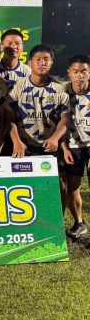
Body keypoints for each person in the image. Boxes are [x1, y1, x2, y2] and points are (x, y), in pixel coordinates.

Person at [8, 44, 69, 157]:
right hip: (23, 145)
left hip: (50, 146)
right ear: (30, 63)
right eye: (38, 59)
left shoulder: (60, 88)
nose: (42, 63)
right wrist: (16, 141)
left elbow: (65, 119)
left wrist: (55, 138)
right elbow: (9, 118)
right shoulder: (18, 86)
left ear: (51, 63)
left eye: (46, 59)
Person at [61, 55, 90, 238]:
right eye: (76, 72)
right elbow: (57, 124)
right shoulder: (62, 93)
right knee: (73, 187)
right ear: (69, 73)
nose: (80, 76)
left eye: (84, 71)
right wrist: (64, 148)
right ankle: (79, 223)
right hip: (73, 146)